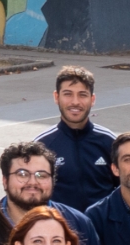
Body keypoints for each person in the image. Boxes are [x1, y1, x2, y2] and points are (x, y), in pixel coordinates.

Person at [0, 141, 102, 245]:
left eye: (42, 175)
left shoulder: (80, 224)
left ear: (53, 180)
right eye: (22, 174)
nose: (32, 182)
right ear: (5, 181)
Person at [38, 66, 118, 211]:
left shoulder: (110, 142)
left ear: (92, 99)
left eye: (82, 95)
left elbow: (124, 191)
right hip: (59, 231)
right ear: (56, 97)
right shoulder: (42, 146)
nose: (75, 102)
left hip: (102, 232)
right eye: (68, 94)